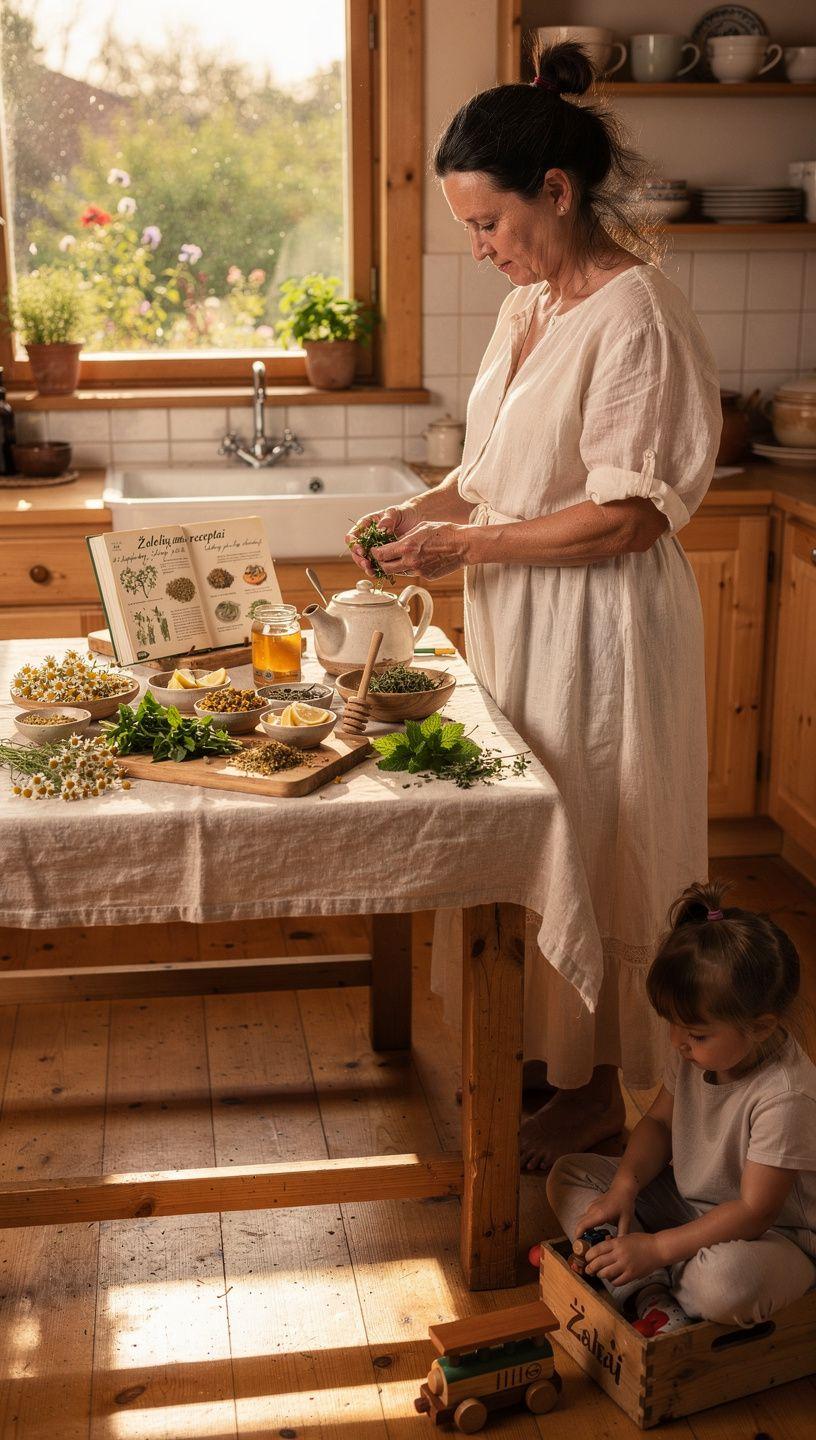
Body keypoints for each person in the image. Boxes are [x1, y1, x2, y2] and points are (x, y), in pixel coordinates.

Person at [346, 40, 722, 1171]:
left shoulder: (636, 316)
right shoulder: (530, 312)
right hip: (523, 615)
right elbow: (497, 469)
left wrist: (464, 544)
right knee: (525, 831)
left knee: (605, 836)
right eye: (466, 227)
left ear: (556, 194)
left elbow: (627, 518)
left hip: (601, 630)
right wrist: (421, 514)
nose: (477, 249)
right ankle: (547, 1055)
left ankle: (612, 1088)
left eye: (490, 225)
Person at [546, 881, 816, 1333]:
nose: (677, 1042)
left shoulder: (785, 1096)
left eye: (695, 1033)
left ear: (762, 1026)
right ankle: (650, 1290)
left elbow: (754, 1211)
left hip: (773, 1240)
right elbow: (656, 1122)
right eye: (673, 1025)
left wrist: (657, 1248)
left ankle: (631, 1274)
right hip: (693, 1208)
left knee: (727, 1284)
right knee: (570, 1173)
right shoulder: (703, 1052)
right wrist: (625, 1187)